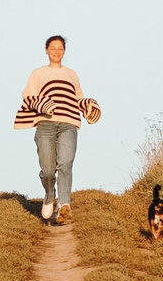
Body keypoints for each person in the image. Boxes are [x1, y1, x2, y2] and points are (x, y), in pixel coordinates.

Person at [13, 34, 99, 225]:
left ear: (64, 51)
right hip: (45, 124)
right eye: (53, 48)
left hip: (68, 122)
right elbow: (29, 97)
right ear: (46, 50)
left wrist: (88, 105)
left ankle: (64, 204)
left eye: (60, 48)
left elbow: (77, 98)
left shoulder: (71, 74)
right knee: (48, 170)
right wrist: (43, 104)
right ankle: (49, 194)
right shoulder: (38, 73)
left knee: (66, 163)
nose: (57, 52)